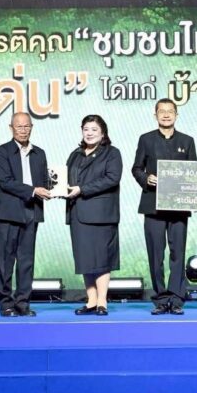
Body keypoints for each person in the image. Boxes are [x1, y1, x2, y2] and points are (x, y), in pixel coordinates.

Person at [131, 98, 197, 315]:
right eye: (162, 111)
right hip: (153, 206)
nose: (166, 115)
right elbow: (136, 168)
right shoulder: (146, 139)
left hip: (179, 207)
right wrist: (146, 178)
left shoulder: (187, 141)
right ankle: (160, 299)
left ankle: (176, 299)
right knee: (156, 255)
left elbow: (195, 174)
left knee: (178, 253)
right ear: (155, 115)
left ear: (176, 115)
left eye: (170, 111)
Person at [0, 112, 53, 317]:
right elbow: (6, 182)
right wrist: (34, 191)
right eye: (19, 126)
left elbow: (45, 181)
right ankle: (6, 304)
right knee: (5, 261)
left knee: (27, 261)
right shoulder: (2, 151)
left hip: (31, 212)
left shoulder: (39, 153)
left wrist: (54, 189)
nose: (23, 130)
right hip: (9, 213)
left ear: (32, 127)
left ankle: (22, 303)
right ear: (11, 128)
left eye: (27, 126)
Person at [65, 114, 122, 316]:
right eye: (86, 129)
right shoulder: (75, 154)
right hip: (78, 214)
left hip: (101, 215)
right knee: (85, 259)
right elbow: (66, 180)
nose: (89, 133)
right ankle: (91, 300)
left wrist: (82, 189)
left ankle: (102, 301)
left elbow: (112, 178)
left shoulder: (112, 153)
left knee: (101, 259)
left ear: (103, 133)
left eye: (94, 129)